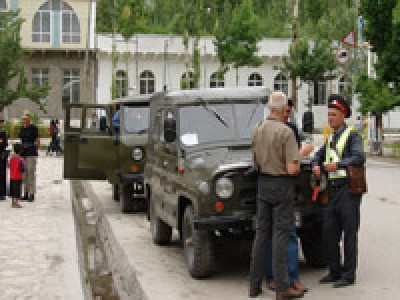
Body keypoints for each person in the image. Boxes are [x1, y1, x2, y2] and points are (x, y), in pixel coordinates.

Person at [249, 91, 304, 299]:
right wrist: (300, 155)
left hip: (263, 184)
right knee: (281, 235)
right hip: (282, 185)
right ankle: (283, 287)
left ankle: (254, 285)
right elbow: (292, 169)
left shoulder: (257, 129)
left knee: (261, 234)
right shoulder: (285, 133)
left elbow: (255, 161)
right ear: (282, 110)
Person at [312, 94, 366, 288]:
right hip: (333, 191)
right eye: (329, 115)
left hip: (349, 190)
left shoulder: (352, 135)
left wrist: (339, 165)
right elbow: (317, 156)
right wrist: (316, 164)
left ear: (343, 115)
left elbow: (359, 157)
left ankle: (348, 274)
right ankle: (334, 271)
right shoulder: (331, 138)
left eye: (334, 115)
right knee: (330, 232)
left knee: (349, 234)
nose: (330, 118)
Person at [265, 99, 313, 294]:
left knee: (289, 234)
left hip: (286, 188)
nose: (287, 113)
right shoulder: (266, 130)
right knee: (275, 234)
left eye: (289, 110)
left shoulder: (291, 129)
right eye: (285, 110)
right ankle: (274, 278)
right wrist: (300, 155)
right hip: (276, 185)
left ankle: (292, 278)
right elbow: (290, 163)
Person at [19, 110, 40, 202]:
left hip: (31, 152)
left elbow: (37, 139)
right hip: (23, 152)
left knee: (31, 172)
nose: (24, 120)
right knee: (24, 173)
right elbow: (21, 140)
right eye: (23, 118)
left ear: (29, 118)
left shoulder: (33, 128)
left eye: (26, 118)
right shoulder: (22, 128)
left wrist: (36, 147)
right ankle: (26, 192)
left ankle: (32, 193)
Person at [9, 143, 25, 208]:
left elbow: (9, 165)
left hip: (12, 177)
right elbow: (23, 169)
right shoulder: (21, 159)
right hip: (18, 177)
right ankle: (16, 203)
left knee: (13, 191)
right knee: (17, 191)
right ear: (21, 151)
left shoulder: (11, 158)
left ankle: (13, 202)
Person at [0, 119, 8, 200]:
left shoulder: (3, 133)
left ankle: (2, 193)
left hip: (2, 154)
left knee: (2, 174)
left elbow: (5, 144)